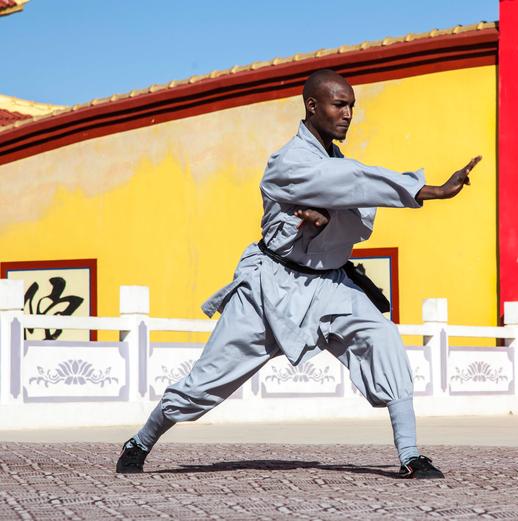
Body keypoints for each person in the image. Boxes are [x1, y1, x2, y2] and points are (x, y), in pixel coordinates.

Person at [115, 69, 482, 479]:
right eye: (339, 105)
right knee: (205, 385)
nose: (347, 114)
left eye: (351, 107)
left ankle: (411, 454)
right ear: (312, 106)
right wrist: (426, 190)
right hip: (270, 288)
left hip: (330, 284)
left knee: (381, 338)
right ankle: (141, 441)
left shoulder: (336, 163)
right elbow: (351, 181)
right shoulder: (290, 162)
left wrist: (327, 218)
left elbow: (354, 205)